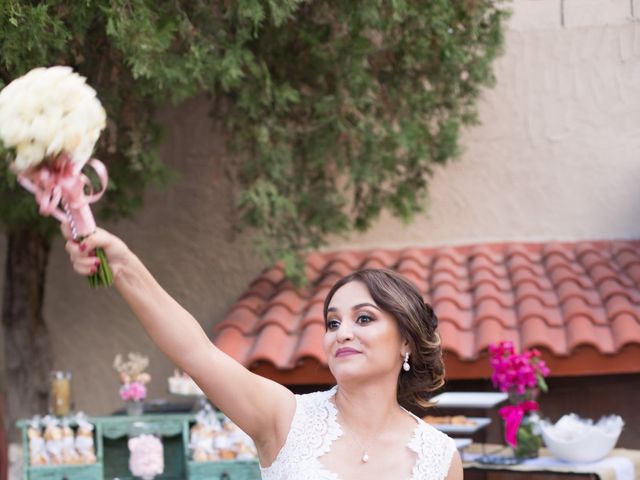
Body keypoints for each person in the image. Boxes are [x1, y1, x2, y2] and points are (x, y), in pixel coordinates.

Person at [64, 227, 463, 479]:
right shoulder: (285, 418)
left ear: (406, 340)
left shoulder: (440, 458)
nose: (342, 334)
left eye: (364, 319)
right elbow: (197, 352)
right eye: (333, 322)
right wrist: (124, 267)